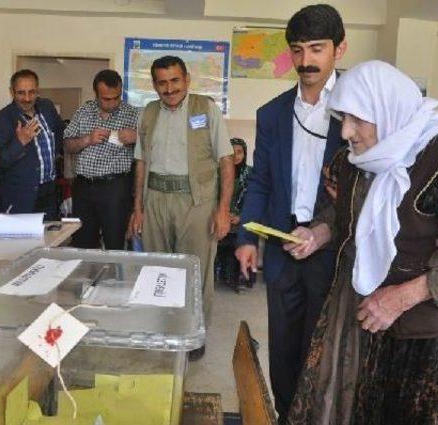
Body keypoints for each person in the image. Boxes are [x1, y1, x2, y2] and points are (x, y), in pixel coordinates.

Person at [286, 60, 438, 424]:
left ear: (387, 109)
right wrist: (317, 234)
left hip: (432, 336)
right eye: (342, 119)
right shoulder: (354, 158)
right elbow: (342, 218)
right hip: (368, 319)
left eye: (357, 119)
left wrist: (404, 296)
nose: (346, 132)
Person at [234, 4, 347, 421]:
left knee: (323, 351)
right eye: (297, 50)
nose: (306, 61)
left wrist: (323, 230)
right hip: (282, 249)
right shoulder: (273, 113)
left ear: (340, 49)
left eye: (316, 49)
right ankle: (285, 414)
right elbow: (261, 181)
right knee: (282, 348)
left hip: (333, 253)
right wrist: (247, 239)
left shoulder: (357, 109)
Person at [129, 55, 234, 334]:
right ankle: (161, 330)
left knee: (194, 274)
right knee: (157, 272)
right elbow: (140, 163)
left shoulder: (206, 109)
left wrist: (223, 210)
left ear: (186, 79)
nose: (170, 88)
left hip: (196, 203)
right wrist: (138, 209)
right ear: (154, 85)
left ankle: (193, 334)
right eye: (162, 83)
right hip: (155, 201)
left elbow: (226, 160)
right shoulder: (147, 113)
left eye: (175, 80)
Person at [63, 69, 139, 249]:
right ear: (96, 94)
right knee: (83, 241)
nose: (112, 103)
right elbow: (67, 145)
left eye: (116, 97)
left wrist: (137, 138)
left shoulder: (133, 114)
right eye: (106, 99)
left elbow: (149, 149)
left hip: (115, 188)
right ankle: (87, 277)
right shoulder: (84, 111)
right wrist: (87, 139)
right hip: (83, 187)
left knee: (115, 241)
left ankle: (113, 277)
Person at [0, 69, 65, 221]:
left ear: (38, 91)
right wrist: (20, 142)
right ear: (12, 92)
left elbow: (60, 132)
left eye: (32, 92)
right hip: (19, 198)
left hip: (49, 193)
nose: (27, 98)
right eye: (21, 93)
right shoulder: (1, 121)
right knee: (21, 244)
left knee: (48, 240)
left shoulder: (47, 107)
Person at [214, 138, 253, 291]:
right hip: (221, 215)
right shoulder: (218, 172)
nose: (236, 156)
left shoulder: (250, 174)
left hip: (241, 219)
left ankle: (238, 279)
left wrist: (240, 216)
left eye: (239, 152)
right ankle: (219, 276)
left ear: (245, 154)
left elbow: (253, 201)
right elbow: (212, 197)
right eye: (231, 152)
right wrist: (221, 213)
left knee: (237, 243)